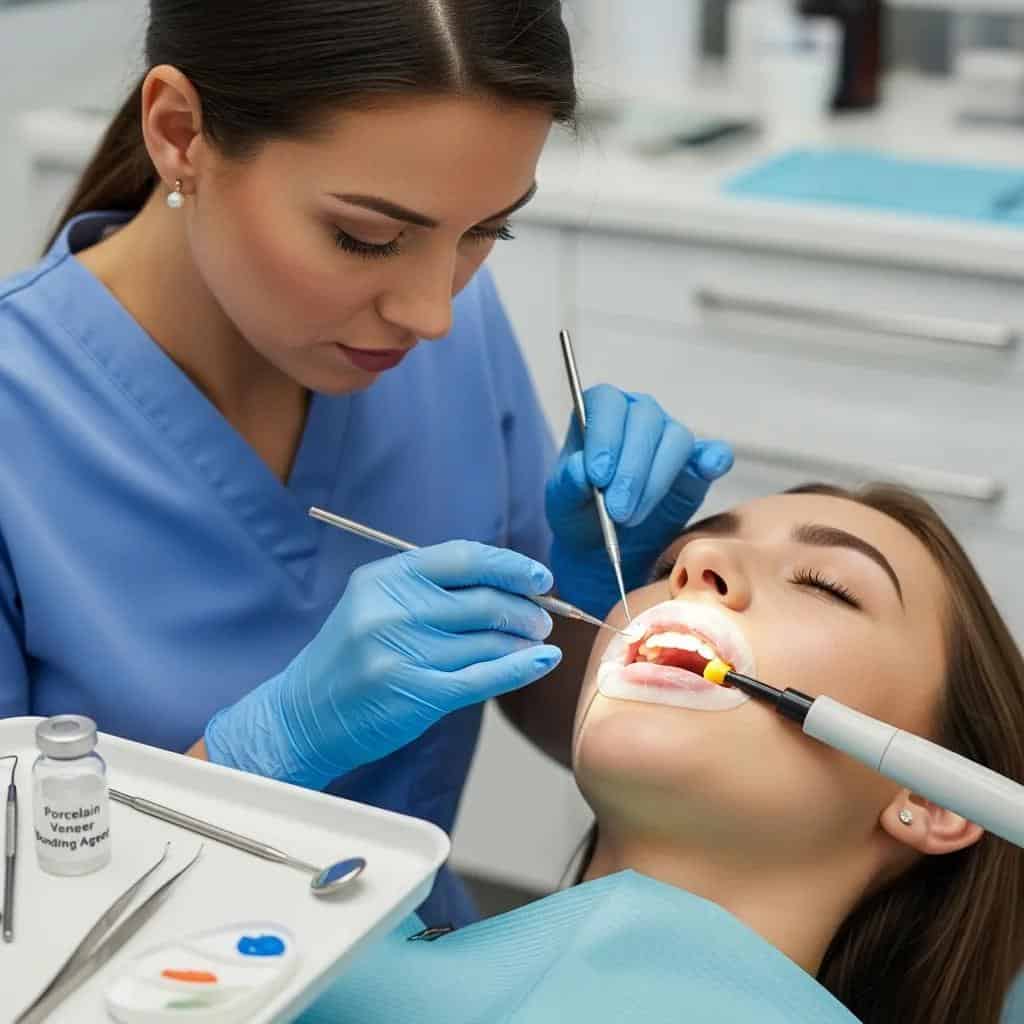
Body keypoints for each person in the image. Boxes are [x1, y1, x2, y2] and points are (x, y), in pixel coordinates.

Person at [0, 0, 733, 926]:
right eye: (367, 239)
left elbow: (553, 708)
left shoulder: (449, 326)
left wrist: (600, 604)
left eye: (485, 233)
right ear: (180, 133)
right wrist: (257, 757)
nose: (431, 312)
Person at [296, 483, 1024, 1024]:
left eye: (824, 585)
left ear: (931, 797)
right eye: (672, 557)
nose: (696, 562)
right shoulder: (314, 949)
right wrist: (258, 763)